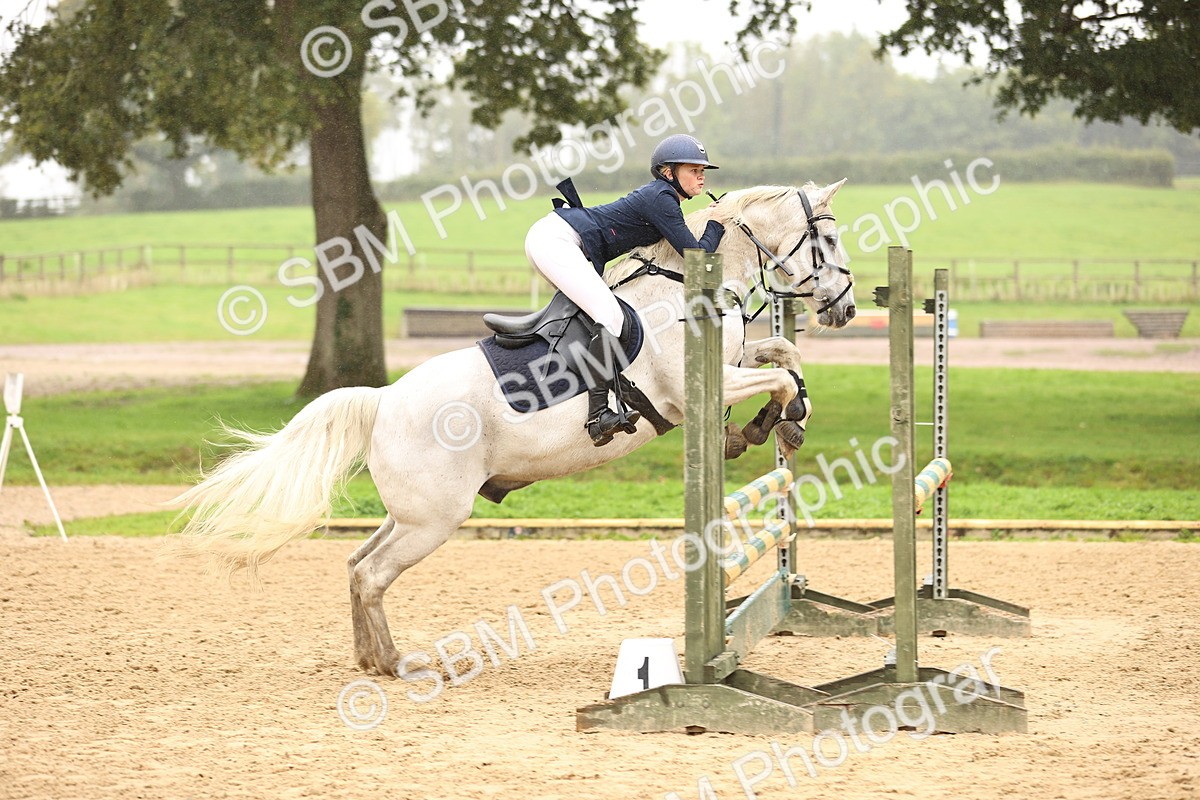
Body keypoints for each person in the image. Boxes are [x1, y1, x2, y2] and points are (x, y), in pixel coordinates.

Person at [524, 133, 726, 446]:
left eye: (703, 171)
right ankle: (598, 416)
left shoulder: (662, 196)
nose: (701, 176)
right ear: (668, 173)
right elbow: (696, 259)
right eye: (693, 170)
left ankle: (584, 391)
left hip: (556, 238)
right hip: (557, 241)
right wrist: (716, 225)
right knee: (611, 316)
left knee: (597, 315)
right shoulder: (662, 199)